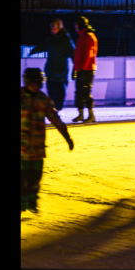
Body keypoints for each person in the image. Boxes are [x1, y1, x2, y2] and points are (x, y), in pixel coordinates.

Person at [21, 67, 74, 216]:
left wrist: (67, 136)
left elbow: (55, 119)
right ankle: (22, 204)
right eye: (33, 83)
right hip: (22, 149)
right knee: (22, 179)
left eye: (38, 83)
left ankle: (32, 202)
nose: (36, 86)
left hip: (38, 149)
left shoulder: (44, 100)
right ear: (27, 82)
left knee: (35, 179)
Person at [28, 18, 74, 112]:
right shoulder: (50, 40)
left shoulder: (66, 40)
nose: (52, 31)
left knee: (60, 97)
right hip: (50, 72)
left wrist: (76, 68)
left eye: (55, 29)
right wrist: (33, 51)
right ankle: (53, 111)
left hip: (61, 74)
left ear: (60, 28)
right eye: (51, 29)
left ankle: (58, 110)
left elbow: (73, 53)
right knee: (51, 95)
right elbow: (42, 46)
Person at [72, 17, 98, 123]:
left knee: (86, 92)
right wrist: (75, 69)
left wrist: (82, 68)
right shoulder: (82, 36)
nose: (75, 26)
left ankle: (91, 115)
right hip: (81, 69)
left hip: (86, 70)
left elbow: (88, 54)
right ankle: (81, 114)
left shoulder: (88, 37)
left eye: (77, 24)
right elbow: (78, 55)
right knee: (79, 91)